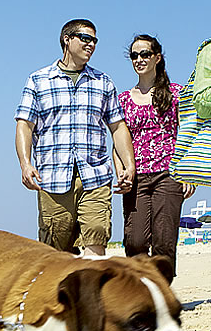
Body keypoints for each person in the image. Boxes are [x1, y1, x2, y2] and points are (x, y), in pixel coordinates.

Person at [15, 19, 135, 256]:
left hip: (95, 176)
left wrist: (129, 165)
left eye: (95, 40)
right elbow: (24, 125)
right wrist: (25, 164)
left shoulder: (103, 82)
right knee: (56, 253)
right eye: (85, 38)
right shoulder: (38, 80)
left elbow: (118, 127)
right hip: (52, 178)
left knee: (96, 235)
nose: (91, 44)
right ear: (67, 39)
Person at [116, 35, 195, 279]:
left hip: (169, 175)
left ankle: (161, 290)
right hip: (136, 177)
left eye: (145, 54)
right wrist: (121, 172)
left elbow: (188, 132)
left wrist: (189, 173)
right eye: (134, 55)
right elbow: (118, 142)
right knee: (135, 241)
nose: (139, 59)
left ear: (157, 57)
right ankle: (141, 289)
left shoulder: (176, 93)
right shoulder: (123, 100)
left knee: (164, 241)